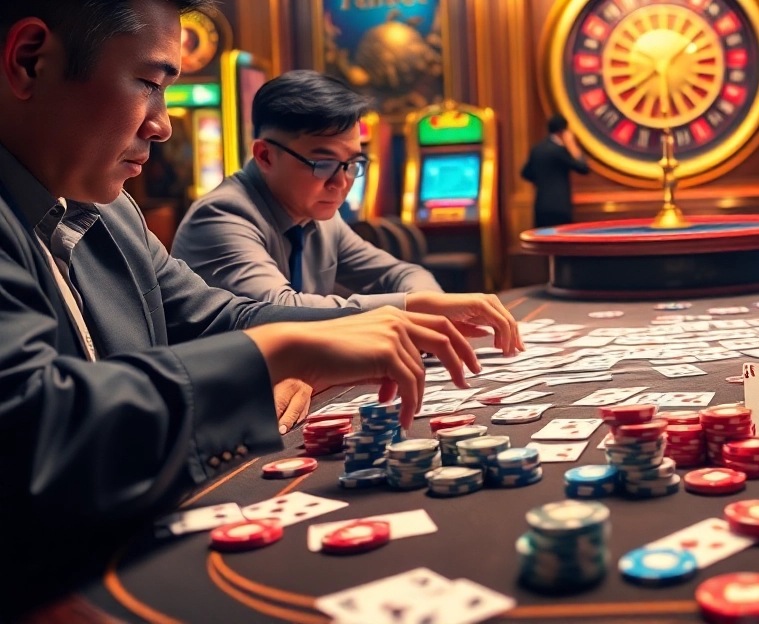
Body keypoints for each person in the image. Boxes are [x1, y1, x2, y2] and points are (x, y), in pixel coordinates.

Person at [0, 0, 504, 610]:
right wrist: (277, 351)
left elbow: (214, 317)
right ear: (30, 60)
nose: (164, 124)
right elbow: (35, 432)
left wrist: (391, 312)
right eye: (148, 82)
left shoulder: (109, 208)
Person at [172, 70, 522, 429]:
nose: (341, 183)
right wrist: (409, 307)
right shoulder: (221, 215)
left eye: (353, 164)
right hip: (216, 419)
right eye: (323, 163)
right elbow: (275, 311)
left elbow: (400, 274)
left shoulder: (319, 214)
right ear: (264, 155)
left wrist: (426, 316)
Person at [522, 114, 589, 228]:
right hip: (559, 208)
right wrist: (572, 146)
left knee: (543, 242)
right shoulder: (559, 151)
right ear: (563, 131)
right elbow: (583, 168)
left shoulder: (537, 149)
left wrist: (541, 181)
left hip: (541, 206)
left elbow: (525, 173)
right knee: (560, 243)